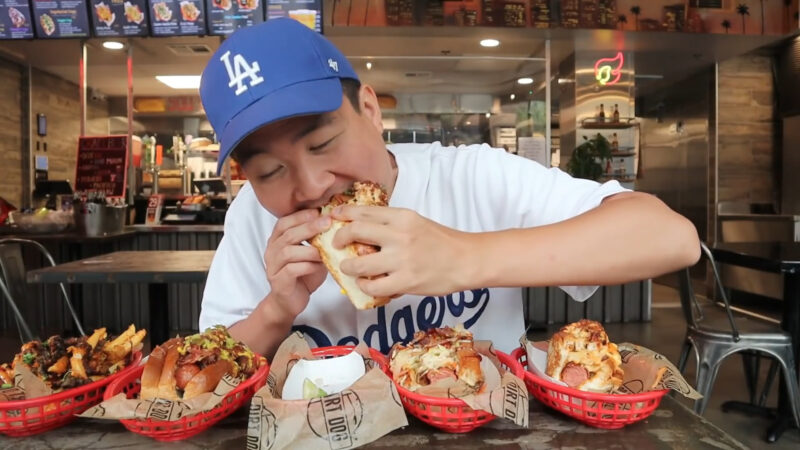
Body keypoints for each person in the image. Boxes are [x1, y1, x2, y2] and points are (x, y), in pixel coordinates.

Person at [198, 18, 700, 358]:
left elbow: (668, 236)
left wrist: (462, 256)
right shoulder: (252, 217)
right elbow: (202, 366)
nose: (310, 186)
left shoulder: (471, 175)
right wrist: (275, 311)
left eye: (323, 142)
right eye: (268, 172)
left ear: (370, 111)